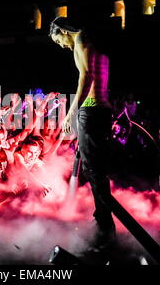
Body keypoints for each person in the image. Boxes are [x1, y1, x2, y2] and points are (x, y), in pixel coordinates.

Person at [49, 16, 115, 249]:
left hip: (92, 109)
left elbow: (86, 76)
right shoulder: (96, 43)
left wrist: (71, 112)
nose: (61, 46)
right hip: (103, 109)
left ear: (63, 31)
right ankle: (105, 224)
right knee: (95, 165)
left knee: (93, 170)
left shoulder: (80, 40)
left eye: (58, 41)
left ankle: (105, 229)